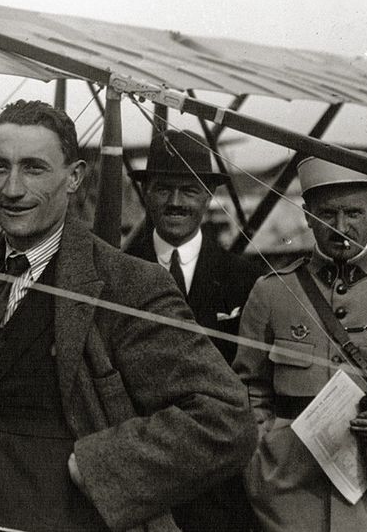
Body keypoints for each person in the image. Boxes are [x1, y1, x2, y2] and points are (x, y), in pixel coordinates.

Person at [0, 100, 255, 532]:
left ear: (74, 178)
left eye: (33, 168)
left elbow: (224, 418)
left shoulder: (127, 284)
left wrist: (101, 469)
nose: (12, 189)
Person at [233, 156, 367, 531]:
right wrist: (260, 466)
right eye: (327, 214)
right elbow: (247, 390)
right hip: (288, 500)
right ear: (307, 215)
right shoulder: (271, 292)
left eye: (353, 213)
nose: (340, 227)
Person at [125, 130, 258, 531]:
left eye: (190, 190)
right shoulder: (117, 271)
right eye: (164, 189)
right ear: (146, 193)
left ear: (207, 195)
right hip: (140, 470)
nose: (177, 202)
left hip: (219, 479)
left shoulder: (243, 277)